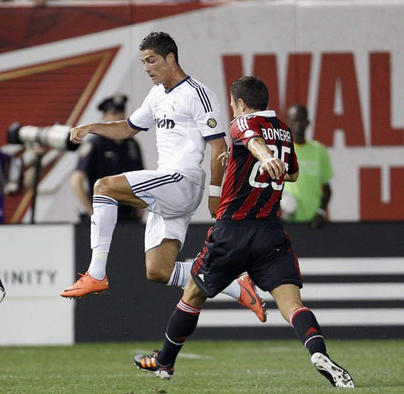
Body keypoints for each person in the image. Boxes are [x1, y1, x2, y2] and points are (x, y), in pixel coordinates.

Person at [134, 76, 354, 389]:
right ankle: (318, 352)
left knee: (193, 294)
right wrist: (252, 159)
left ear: (239, 102)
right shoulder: (283, 128)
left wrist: (261, 155)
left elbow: (251, 139)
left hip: (233, 231)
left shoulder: (241, 123)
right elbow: (292, 172)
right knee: (292, 304)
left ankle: (165, 361)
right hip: (270, 233)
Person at [60, 32, 266, 323]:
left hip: (183, 180)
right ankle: (237, 287)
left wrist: (215, 194)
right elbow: (128, 128)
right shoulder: (157, 94)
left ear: (171, 58)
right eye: (144, 62)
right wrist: (91, 127)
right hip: (166, 188)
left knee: (103, 187)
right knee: (159, 271)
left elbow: (220, 146)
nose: (147, 68)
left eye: (152, 60)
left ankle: (96, 272)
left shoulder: (198, 93)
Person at [71, 94, 144, 222]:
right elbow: (76, 181)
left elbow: (142, 178)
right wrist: (92, 212)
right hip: (102, 213)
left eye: (121, 113)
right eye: (114, 113)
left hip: (128, 216)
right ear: (105, 117)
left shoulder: (132, 144)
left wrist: (141, 207)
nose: (119, 117)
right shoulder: (94, 144)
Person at [281, 104, 333, 229]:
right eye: (294, 121)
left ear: (308, 122)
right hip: (287, 223)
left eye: (301, 120)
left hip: (313, 223)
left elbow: (327, 189)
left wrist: (320, 213)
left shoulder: (319, 151)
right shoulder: (282, 150)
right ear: (288, 123)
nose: (298, 124)